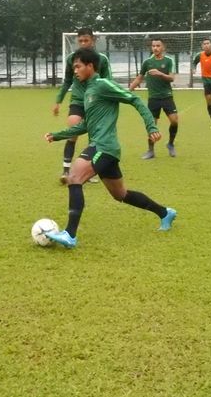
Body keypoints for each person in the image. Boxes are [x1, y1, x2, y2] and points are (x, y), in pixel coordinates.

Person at [44, 48, 177, 248]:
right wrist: (57, 135)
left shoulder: (103, 84)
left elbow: (134, 99)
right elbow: (86, 125)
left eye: (78, 66)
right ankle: (165, 213)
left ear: (90, 66)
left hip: (103, 146)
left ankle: (70, 235)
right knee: (120, 194)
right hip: (105, 148)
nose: (75, 71)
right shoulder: (88, 90)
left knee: (74, 177)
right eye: (74, 67)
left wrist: (151, 126)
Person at [53, 28, 112, 184]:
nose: (83, 43)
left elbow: (108, 82)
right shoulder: (72, 59)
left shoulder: (102, 59)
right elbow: (67, 81)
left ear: (93, 40)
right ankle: (66, 170)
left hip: (96, 102)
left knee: (95, 137)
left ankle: (90, 170)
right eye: (80, 41)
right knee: (72, 131)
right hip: (78, 100)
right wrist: (58, 100)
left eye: (86, 40)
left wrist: (109, 101)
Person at [129, 38, 178, 158]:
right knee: (152, 125)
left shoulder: (169, 61)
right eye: (153, 46)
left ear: (163, 47)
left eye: (158, 46)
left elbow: (172, 78)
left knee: (174, 121)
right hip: (153, 98)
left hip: (167, 96)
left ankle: (170, 144)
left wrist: (160, 73)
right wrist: (130, 88)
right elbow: (140, 77)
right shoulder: (147, 62)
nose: (155, 48)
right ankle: (150, 151)